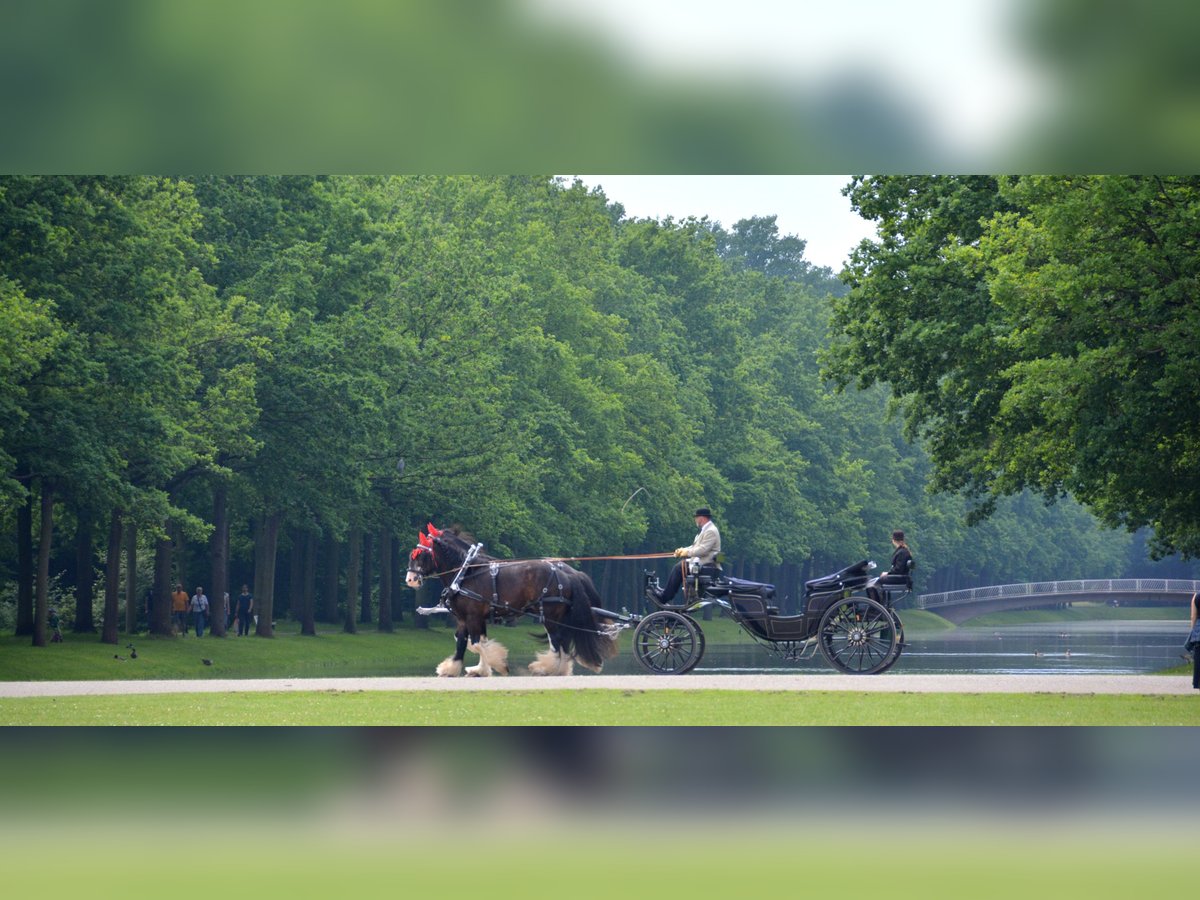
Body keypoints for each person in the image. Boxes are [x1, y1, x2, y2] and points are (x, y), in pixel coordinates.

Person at [650, 507, 722, 606]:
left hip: (707, 565)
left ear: (701, 518)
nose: (695, 520)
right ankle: (666, 593)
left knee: (679, 567)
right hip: (704, 564)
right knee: (680, 566)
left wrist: (686, 553)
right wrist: (682, 550)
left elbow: (702, 550)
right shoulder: (706, 530)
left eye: (696, 518)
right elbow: (695, 547)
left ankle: (665, 596)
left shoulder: (711, 531)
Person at [871, 530, 914, 602]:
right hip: (902, 577)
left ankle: (877, 604)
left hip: (900, 578)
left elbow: (898, 569)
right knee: (880, 580)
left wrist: (887, 573)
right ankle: (883, 603)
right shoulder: (904, 551)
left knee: (877, 582)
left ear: (893, 540)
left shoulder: (902, 552)